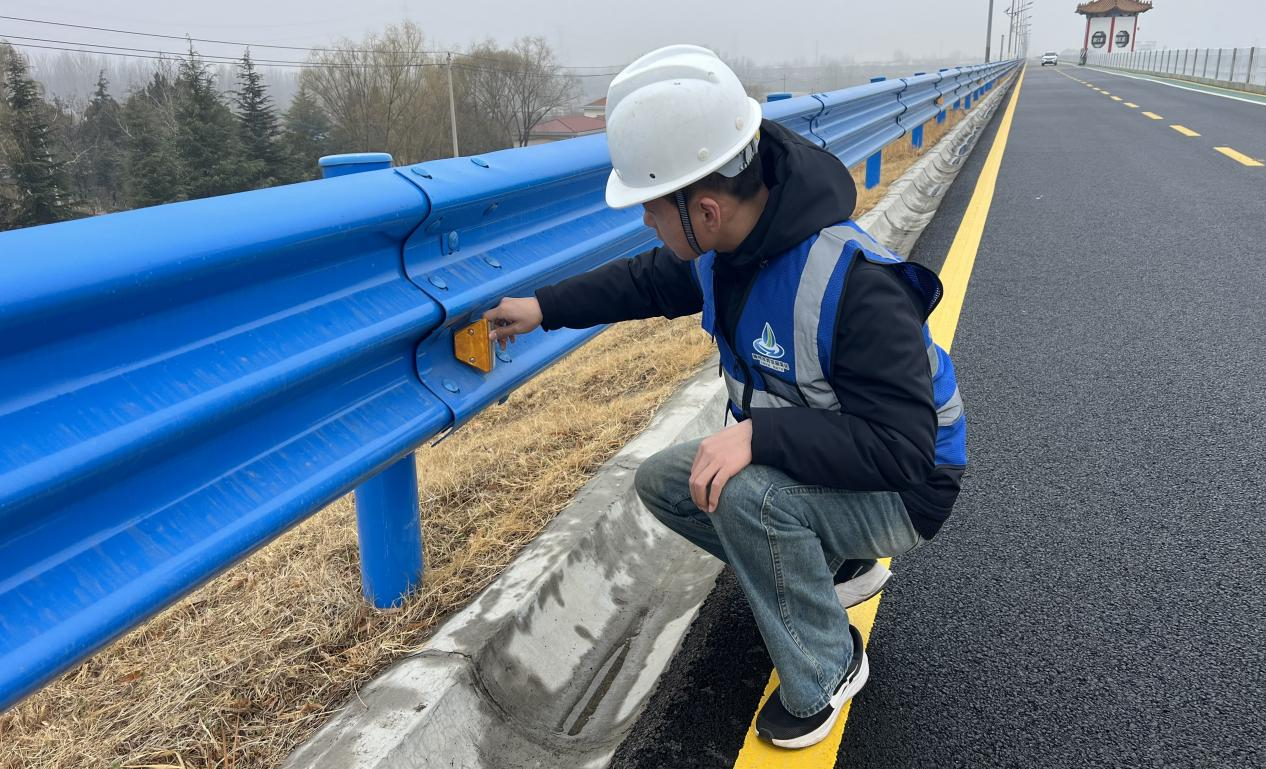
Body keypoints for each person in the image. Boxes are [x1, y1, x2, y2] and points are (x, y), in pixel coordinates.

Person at [484, 44, 966, 750]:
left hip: (908, 490)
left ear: (704, 209)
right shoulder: (731, 245)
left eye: (651, 211)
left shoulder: (855, 284)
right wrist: (541, 306)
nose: (647, 224)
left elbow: (903, 450)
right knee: (667, 484)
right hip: (839, 467)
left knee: (744, 493)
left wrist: (758, 438)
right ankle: (836, 561)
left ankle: (831, 668)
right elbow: (645, 282)